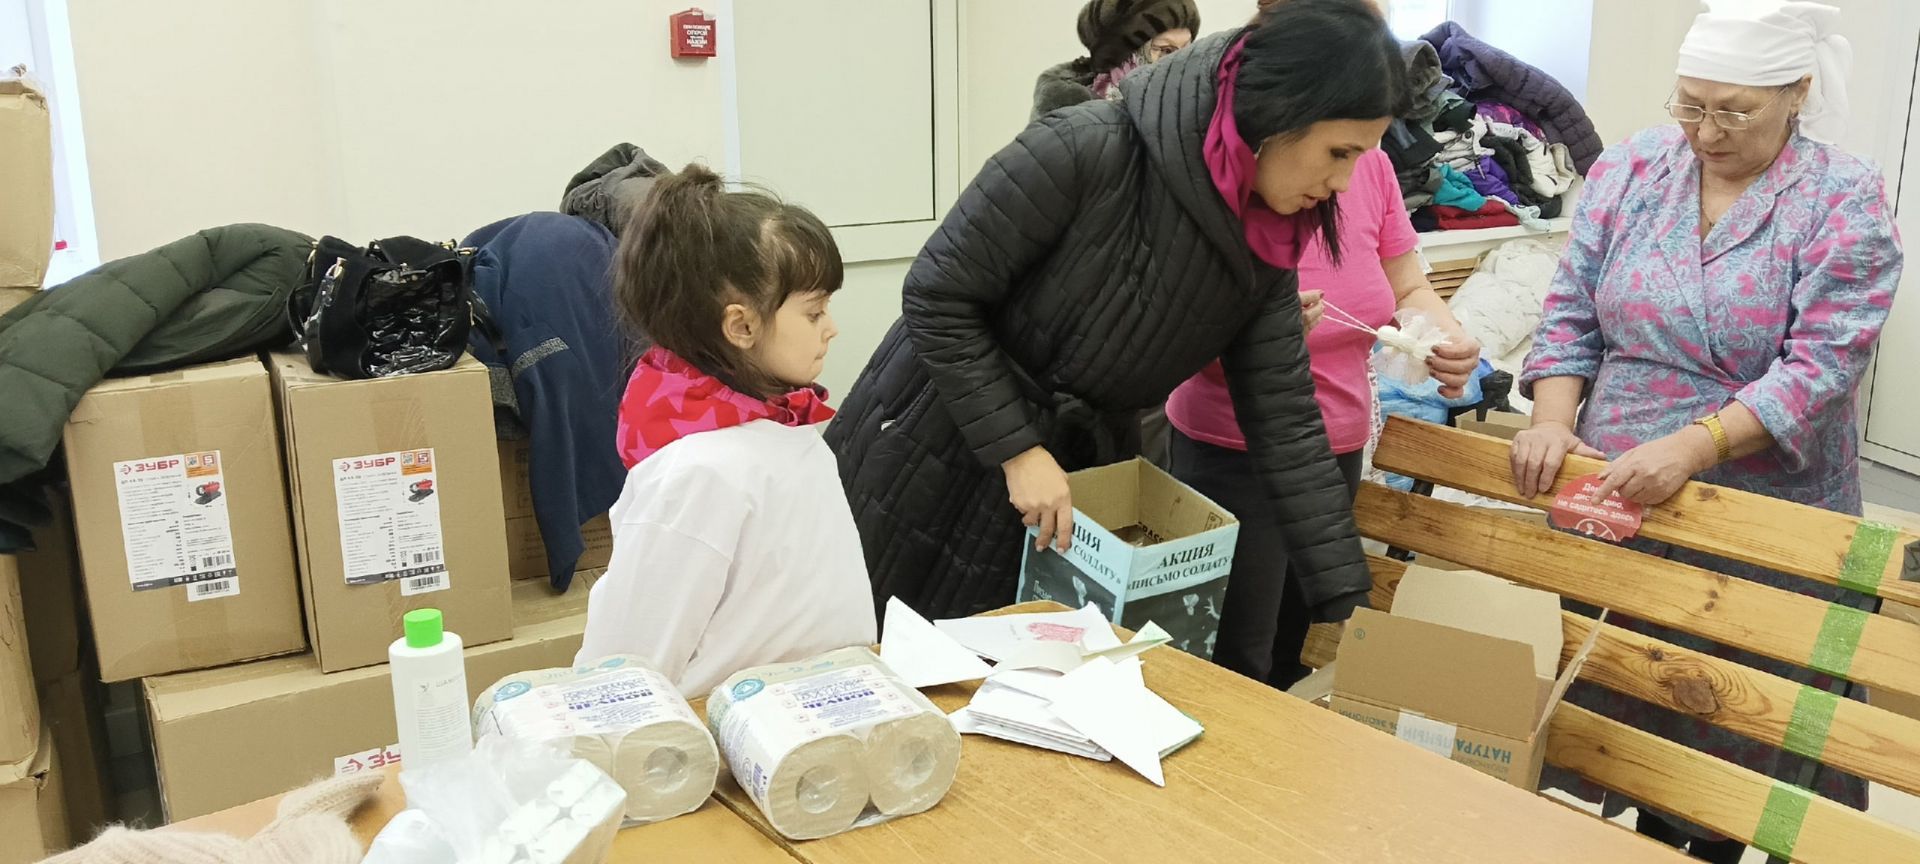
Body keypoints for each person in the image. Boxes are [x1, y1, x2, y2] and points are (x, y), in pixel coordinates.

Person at [829, 0, 1407, 626]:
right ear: (1278, 117)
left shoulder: (1264, 238)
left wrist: (1345, 598)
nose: (1346, 183)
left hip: (1074, 473)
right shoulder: (1083, 147)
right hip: (933, 441)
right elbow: (936, 295)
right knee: (883, 652)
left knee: (1011, 680)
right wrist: (1019, 451)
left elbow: (1285, 417)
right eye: (1340, 152)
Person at [1510, 2, 1900, 860]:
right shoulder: (1635, 167)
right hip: (1618, 490)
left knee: (1729, 718)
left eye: (1733, 111)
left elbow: (1822, 368)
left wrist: (1695, 445)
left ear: (1795, 93)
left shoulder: (1841, 196)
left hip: (1764, 501)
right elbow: (1572, 306)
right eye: (1689, 105)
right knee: (1610, 701)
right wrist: (1550, 418)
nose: (1705, 131)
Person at [1167, 129, 1481, 690]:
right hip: (1236, 453)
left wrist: (1446, 340)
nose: (1346, 172)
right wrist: (1263, 325)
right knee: (1238, 662)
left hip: (1337, 447)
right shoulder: (1222, 173)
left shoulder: (1374, 168)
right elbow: (1174, 323)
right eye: (1341, 150)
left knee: (1297, 647)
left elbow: (1408, 286)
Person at [576, 165, 877, 697]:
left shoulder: (787, 428)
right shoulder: (697, 473)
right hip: (733, 747)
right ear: (741, 326)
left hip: (824, 712)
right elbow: (623, 674)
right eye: (814, 312)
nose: (831, 327)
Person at [1031, 0, 1200, 121]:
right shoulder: (1067, 114)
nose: (1181, 61)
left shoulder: (1196, 106)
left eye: (1188, 49)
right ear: (1126, 56)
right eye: (1167, 50)